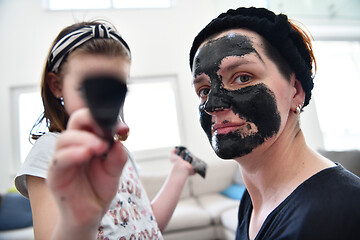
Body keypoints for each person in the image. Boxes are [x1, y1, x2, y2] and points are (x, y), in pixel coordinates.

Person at [189, 7, 360, 240]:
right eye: (204, 90)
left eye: (242, 78)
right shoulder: (250, 202)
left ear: (296, 91)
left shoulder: (339, 212)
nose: (212, 105)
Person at [15, 20, 194, 240]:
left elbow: (147, 224)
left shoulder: (122, 155)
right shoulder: (50, 151)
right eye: (88, 89)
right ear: (57, 85)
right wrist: (81, 218)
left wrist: (179, 171)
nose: (103, 102)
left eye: (114, 89)